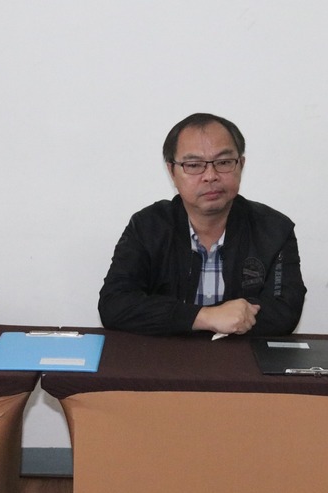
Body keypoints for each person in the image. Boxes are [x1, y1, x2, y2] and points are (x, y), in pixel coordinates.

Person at [99, 113, 306, 336]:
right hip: (165, 355)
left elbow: (285, 312)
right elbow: (114, 304)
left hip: (240, 355)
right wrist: (205, 317)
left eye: (223, 162)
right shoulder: (148, 226)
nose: (210, 176)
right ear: (172, 171)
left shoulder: (274, 229)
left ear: (241, 165)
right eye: (194, 165)